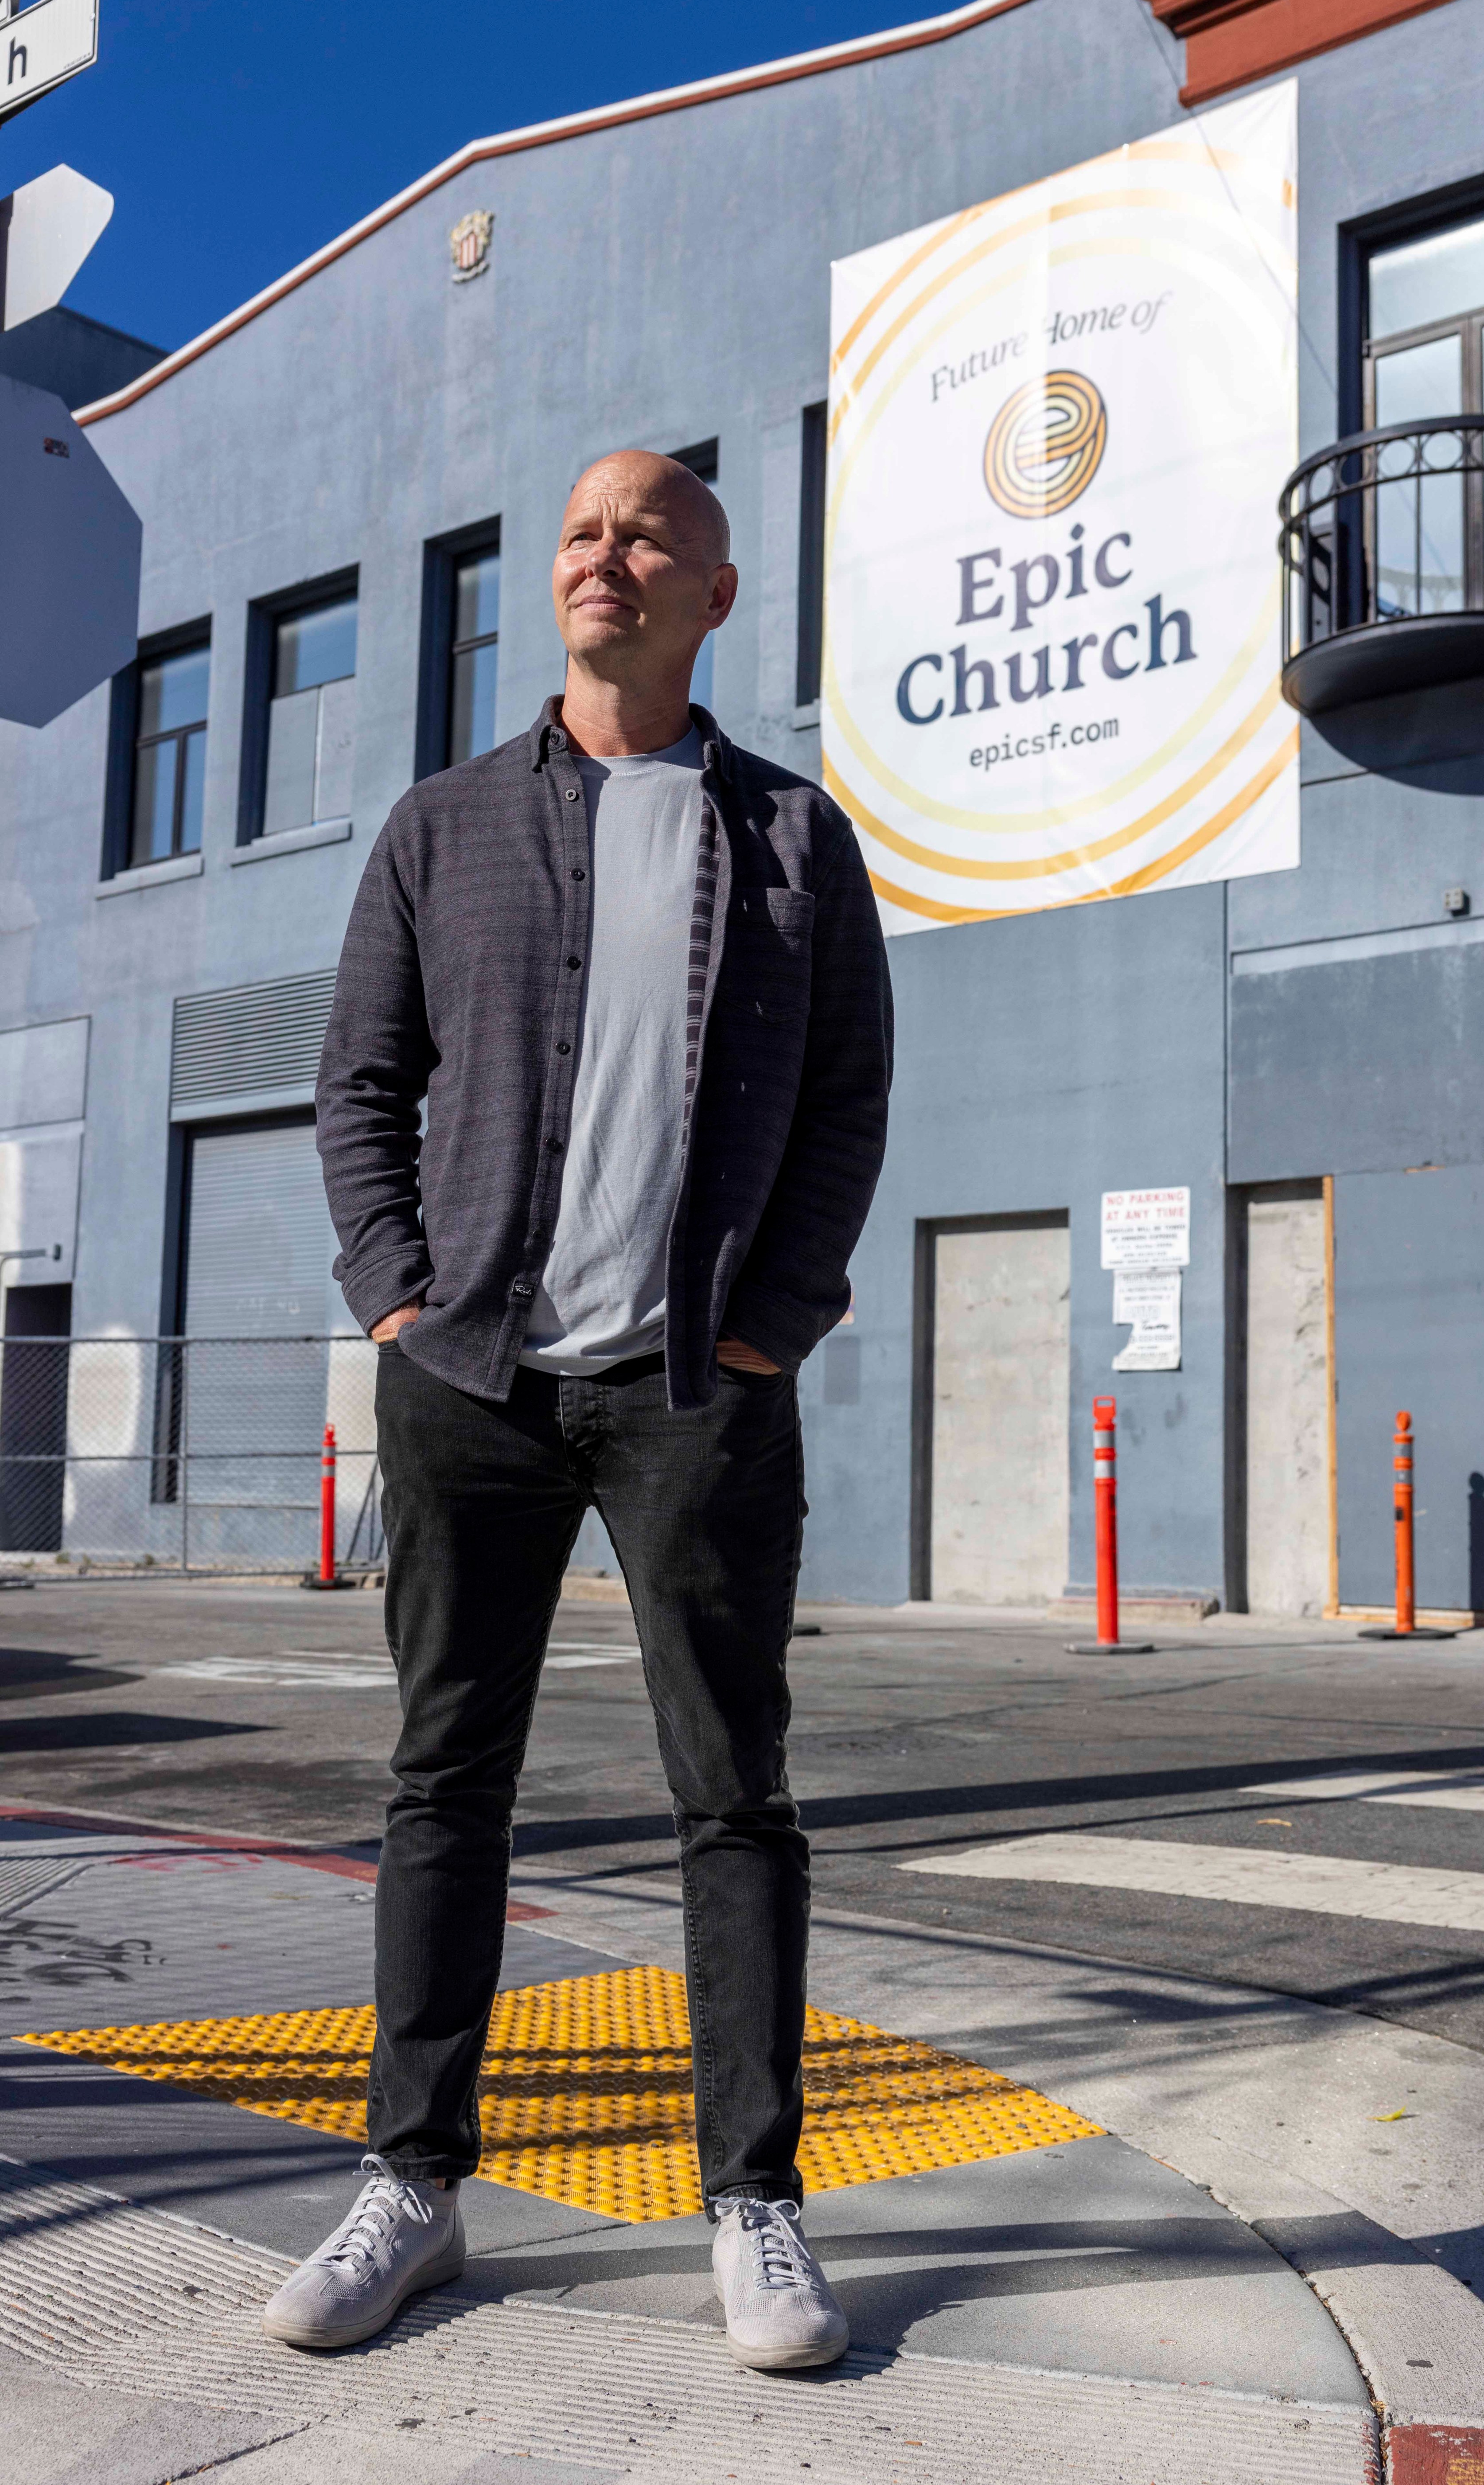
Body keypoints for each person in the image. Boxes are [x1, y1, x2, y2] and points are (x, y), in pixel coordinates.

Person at [261, 450, 892, 2372]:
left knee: (738, 1796)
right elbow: (360, 1084)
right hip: (473, 1385)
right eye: (581, 534)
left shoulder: (792, 837)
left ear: (712, 593)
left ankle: (755, 2204)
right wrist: (394, 1294)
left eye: (647, 536)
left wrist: (777, 1324)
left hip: (699, 1385)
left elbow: (848, 1103)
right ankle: (415, 2182)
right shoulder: (441, 826)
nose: (605, 557)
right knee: (447, 1780)